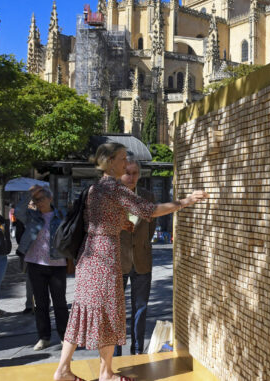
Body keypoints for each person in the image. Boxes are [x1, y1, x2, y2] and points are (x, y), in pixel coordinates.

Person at [53, 142, 208, 381]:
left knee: (85, 312)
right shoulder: (114, 188)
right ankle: (100, 373)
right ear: (110, 161)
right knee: (106, 312)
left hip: (91, 253)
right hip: (104, 257)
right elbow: (150, 210)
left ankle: (71, 370)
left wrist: (119, 224)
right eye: (123, 159)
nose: (126, 163)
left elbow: (97, 219)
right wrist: (185, 202)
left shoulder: (96, 188)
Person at [15, 186, 69, 351]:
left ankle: (64, 337)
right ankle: (43, 337)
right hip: (35, 264)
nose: (38, 202)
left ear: (50, 199)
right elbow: (18, 211)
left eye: (41, 199)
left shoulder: (61, 215)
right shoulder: (31, 216)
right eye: (36, 200)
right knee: (40, 303)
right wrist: (29, 193)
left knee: (60, 303)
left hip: (57, 264)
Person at [113, 157, 157, 356]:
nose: (131, 177)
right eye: (127, 173)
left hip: (142, 260)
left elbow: (151, 226)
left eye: (135, 173)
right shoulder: (111, 197)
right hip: (116, 261)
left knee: (140, 308)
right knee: (116, 310)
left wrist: (143, 245)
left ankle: (137, 350)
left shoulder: (148, 196)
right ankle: (115, 353)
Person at [14, 201, 34, 314]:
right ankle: (29, 304)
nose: (33, 205)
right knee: (30, 280)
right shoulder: (25, 218)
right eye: (31, 203)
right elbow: (18, 236)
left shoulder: (44, 216)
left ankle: (44, 303)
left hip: (42, 254)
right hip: (28, 253)